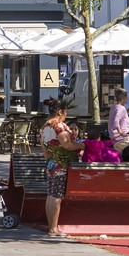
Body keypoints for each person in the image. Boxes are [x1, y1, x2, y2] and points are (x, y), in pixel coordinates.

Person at [40, 98, 82, 237]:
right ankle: (53, 229)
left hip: (51, 164)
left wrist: (49, 161)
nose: (65, 116)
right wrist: (83, 145)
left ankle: (52, 226)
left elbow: (44, 149)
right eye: (65, 113)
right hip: (62, 165)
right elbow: (67, 145)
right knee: (57, 196)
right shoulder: (58, 126)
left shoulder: (44, 127)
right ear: (59, 112)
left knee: (51, 195)